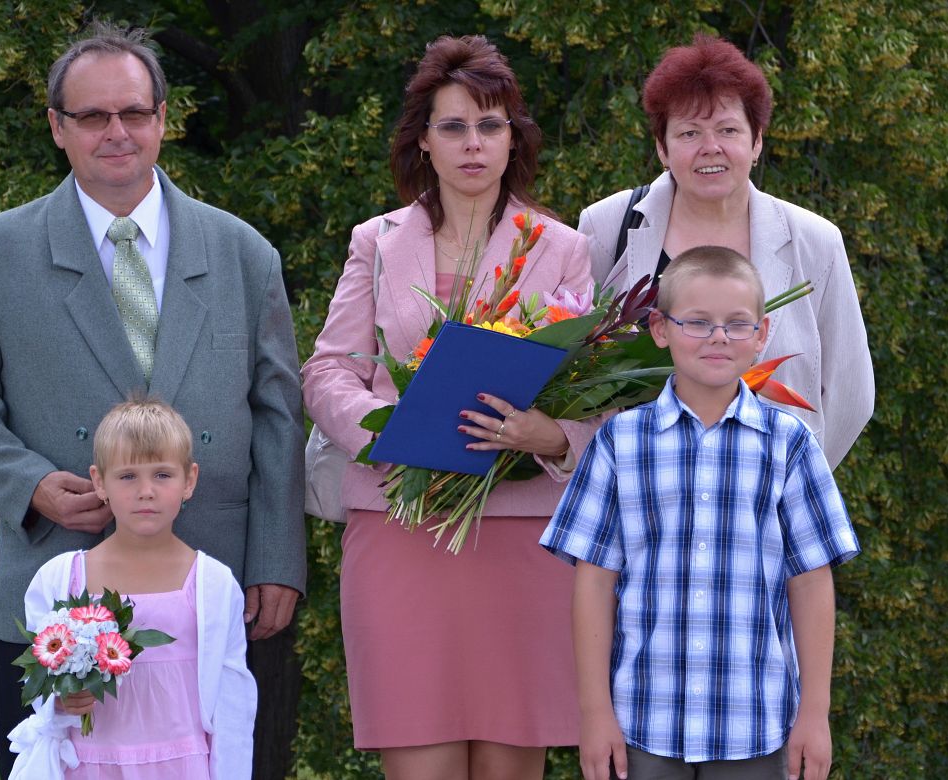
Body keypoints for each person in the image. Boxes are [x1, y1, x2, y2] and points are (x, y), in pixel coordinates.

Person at [0, 22, 305, 778]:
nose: (117, 132)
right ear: (56, 126)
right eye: (93, 116)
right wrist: (31, 485)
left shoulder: (243, 252)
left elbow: (279, 418)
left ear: (163, 118)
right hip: (62, 589)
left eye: (134, 112)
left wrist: (276, 558)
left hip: (218, 588)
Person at [301, 34, 595, 780]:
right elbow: (329, 369)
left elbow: (596, 390)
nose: (473, 143)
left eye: (490, 125)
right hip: (398, 520)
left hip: (522, 532)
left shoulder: (562, 247)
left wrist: (552, 435)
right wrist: (382, 432)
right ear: (424, 141)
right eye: (454, 126)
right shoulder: (375, 241)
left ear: (513, 138)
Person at [541, 246, 861, 780]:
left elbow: (811, 580)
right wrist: (595, 713)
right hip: (642, 721)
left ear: (762, 334)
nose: (718, 338)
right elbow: (594, 583)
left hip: (755, 723)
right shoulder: (621, 443)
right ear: (660, 329)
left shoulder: (790, 444)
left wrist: (815, 712)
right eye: (697, 322)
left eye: (737, 324)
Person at [578, 34, 874, 470]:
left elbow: (852, 394)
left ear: (757, 142)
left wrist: (789, 485)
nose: (710, 147)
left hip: (764, 497)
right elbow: (577, 373)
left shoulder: (816, 242)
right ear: (662, 147)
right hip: (635, 492)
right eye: (689, 132)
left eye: (728, 130)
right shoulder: (608, 225)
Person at [10, 397, 256, 779]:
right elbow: (39, 685)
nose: (146, 491)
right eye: (127, 476)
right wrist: (62, 701)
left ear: (189, 480)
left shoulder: (213, 584)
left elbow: (233, 703)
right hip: (90, 766)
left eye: (162, 475)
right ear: (99, 482)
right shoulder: (61, 578)